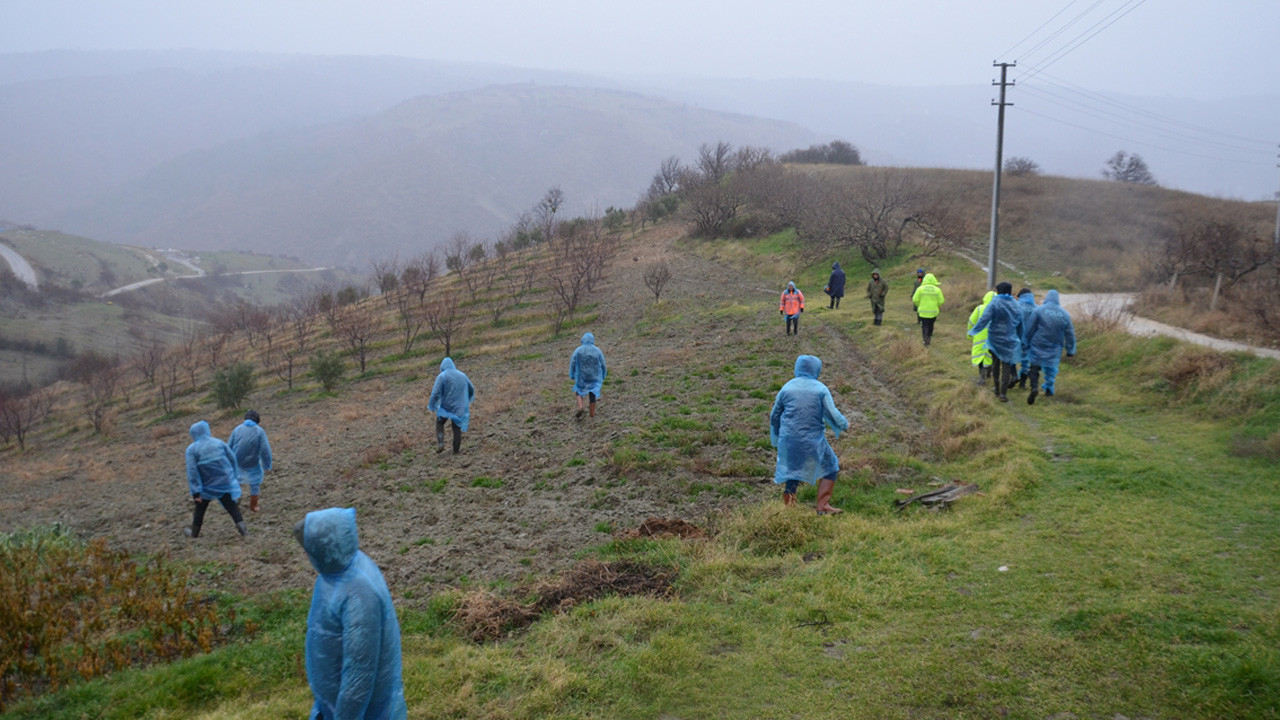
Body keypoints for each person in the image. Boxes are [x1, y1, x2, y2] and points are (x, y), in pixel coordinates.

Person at [295, 508, 407, 720]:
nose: (305, 555)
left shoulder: (359, 593)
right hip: (335, 701)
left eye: (308, 550)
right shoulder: (338, 568)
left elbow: (359, 675)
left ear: (323, 547)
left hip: (364, 710)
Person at [770, 354, 850, 515]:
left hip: (789, 440)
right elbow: (832, 413)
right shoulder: (820, 389)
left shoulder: (786, 388)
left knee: (793, 470)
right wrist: (844, 424)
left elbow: (774, 415)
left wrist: (779, 435)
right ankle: (822, 506)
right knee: (831, 465)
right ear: (816, 369)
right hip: (812, 439)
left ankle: (789, 508)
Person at [184, 420, 247, 538]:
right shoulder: (219, 443)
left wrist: (196, 491)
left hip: (205, 487)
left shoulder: (192, 449)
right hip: (225, 483)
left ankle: (194, 533)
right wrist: (233, 478)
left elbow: (192, 471)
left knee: (200, 510)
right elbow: (232, 459)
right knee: (232, 507)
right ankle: (244, 531)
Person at [968, 282, 1024, 402]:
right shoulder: (1016, 304)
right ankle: (1003, 394)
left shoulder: (994, 302)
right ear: (1010, 291)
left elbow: (985, 319)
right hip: (1009, 339)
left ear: (998, 291)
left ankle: (997, 389)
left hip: (994, 339)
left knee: (996, 364)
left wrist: (974, 331)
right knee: (1007, 366)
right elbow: (1020, 323)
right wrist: (1021, 338)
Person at [1024, 289, 1077, 405]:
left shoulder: (1039, 311)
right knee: (1051, 368)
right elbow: (1070, 334)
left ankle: (1034, 387)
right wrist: (1070, 350)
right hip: (1055, 345)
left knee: (1034, 367)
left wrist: (1026, 341)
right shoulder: (1065, 314)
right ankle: (1048, 389)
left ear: (1047, 298)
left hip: (1038, 343)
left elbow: (1030, 328)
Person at [427, 357, 475, 453]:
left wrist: (432, 404)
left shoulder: (442, 376)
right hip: (460, 407)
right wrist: (467, 399)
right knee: (456, 426)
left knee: (440, 422)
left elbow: (435, 392)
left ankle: (441, 443)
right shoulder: (462, 375)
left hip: (446, 406)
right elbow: (471, 388)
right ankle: (456, 451)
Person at [228, 409, 272, 513]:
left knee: (236, 481)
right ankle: (253, 506)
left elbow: (229, 446)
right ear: (257, 420)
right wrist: (267, 466)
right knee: (255, 483)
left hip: (237, 460)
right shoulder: (259, 431)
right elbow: (265, 450)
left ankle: (234, 501)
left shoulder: (237, 429)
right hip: (252, 462)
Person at [569, 332, 607, 419]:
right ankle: (592, 415)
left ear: (583, 340)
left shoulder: (578, 350)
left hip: (581, 376)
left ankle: (580, 407)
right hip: (594, 376)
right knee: (592, 394)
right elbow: (603, 364)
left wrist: (572, 374)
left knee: (578, 391)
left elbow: (573, 362)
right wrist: (604, 374)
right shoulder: (597, 351)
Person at [968, 290, 996, 385]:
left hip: (980, 337)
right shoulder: (999, 309)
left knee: (980, 357)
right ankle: (989, 372)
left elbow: (972, 321)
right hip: (994, 338)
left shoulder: (979, 308)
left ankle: (982, 378)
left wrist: (970, 333)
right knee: (991, 356)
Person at [910, 272, 944, 346]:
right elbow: (941, 301)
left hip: (923, 311)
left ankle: (925, 339)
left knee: (924, 325)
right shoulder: (937, 290)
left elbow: (915, 299)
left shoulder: (920, 289)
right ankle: (929, 336)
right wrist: (936, 305)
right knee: (931, 325)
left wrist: (919, 305)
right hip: (933, 312)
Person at [1014, 287, 1039, 387]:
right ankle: (1022, 383)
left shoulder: (1016, 306)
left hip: (1016, 337)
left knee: (1012, 358)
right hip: (1031, 339)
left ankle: (1013, 376)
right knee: (1026, 361)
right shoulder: (1037, 308)